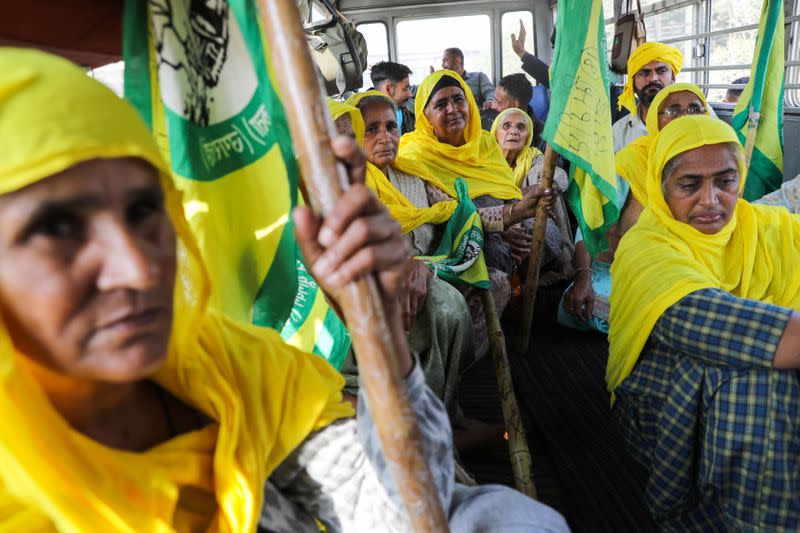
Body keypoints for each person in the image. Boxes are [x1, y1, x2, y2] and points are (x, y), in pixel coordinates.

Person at [0, 48, 571, 533]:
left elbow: (395, 506)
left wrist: (382, 334)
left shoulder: (224, 367)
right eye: (56, 229)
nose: (135, 267)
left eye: (144, 210)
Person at [608, 114, 800, 530]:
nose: (711, 201)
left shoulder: (768, 227)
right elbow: (722, 330)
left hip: (752, 376)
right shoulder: (648, 245)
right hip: (664, 407)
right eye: (690, 185)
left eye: (726, 182)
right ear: (662, 187)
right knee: (758, 379)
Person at [330, 96, 475, 427]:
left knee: (449, 308)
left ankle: (440, 414)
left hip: (425, 269)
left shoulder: (413, 173)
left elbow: (456, 213)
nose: (385, 137)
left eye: (391, 127)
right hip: (370, 280)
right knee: (437, 308)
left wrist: (511, 213)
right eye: (371, 130)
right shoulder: (343, 182)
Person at [559, 83, 711, 334]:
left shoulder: (712, 167)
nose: (685, 117)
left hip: (678, 272)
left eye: (695, 108)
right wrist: (582, 278)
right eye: (673, 110)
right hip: (619, 272)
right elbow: (589, 226)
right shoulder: (628, 164)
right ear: (654, 119)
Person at [397, 70, 554, 282]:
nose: (452, 109)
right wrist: (508, 218)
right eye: (441, 105)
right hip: (465, 232)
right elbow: (451, 212)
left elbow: (506, 186)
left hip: (508, 219)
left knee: (545, 230)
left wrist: (515, 225)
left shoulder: (485, 142)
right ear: (425, 116)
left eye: (458, 99)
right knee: (491, 252)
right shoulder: (414, 154)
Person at [490, 107, 573, 282]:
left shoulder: (532, 156)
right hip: (496, 220)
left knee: (549, 190)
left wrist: (538, 190)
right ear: (495, 133)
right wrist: (516, 195)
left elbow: (556, 174)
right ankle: (525, 277)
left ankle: (563, 261)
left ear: (528, 135)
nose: (513, 131)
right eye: (506, 126)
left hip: (528, 218)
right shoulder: (484, 159)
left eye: (521, 127)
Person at [612, 42, 684, 152]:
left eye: (661, 71)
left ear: (673, 77)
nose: (653, 78)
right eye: (644, 73)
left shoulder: (698, 114)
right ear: (632, 82)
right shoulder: (619, 132)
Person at [370, 60, 416, 134]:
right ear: (389, 89)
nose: (410, 94)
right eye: (405, 89)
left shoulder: (409, 109)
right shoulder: (364, 119)